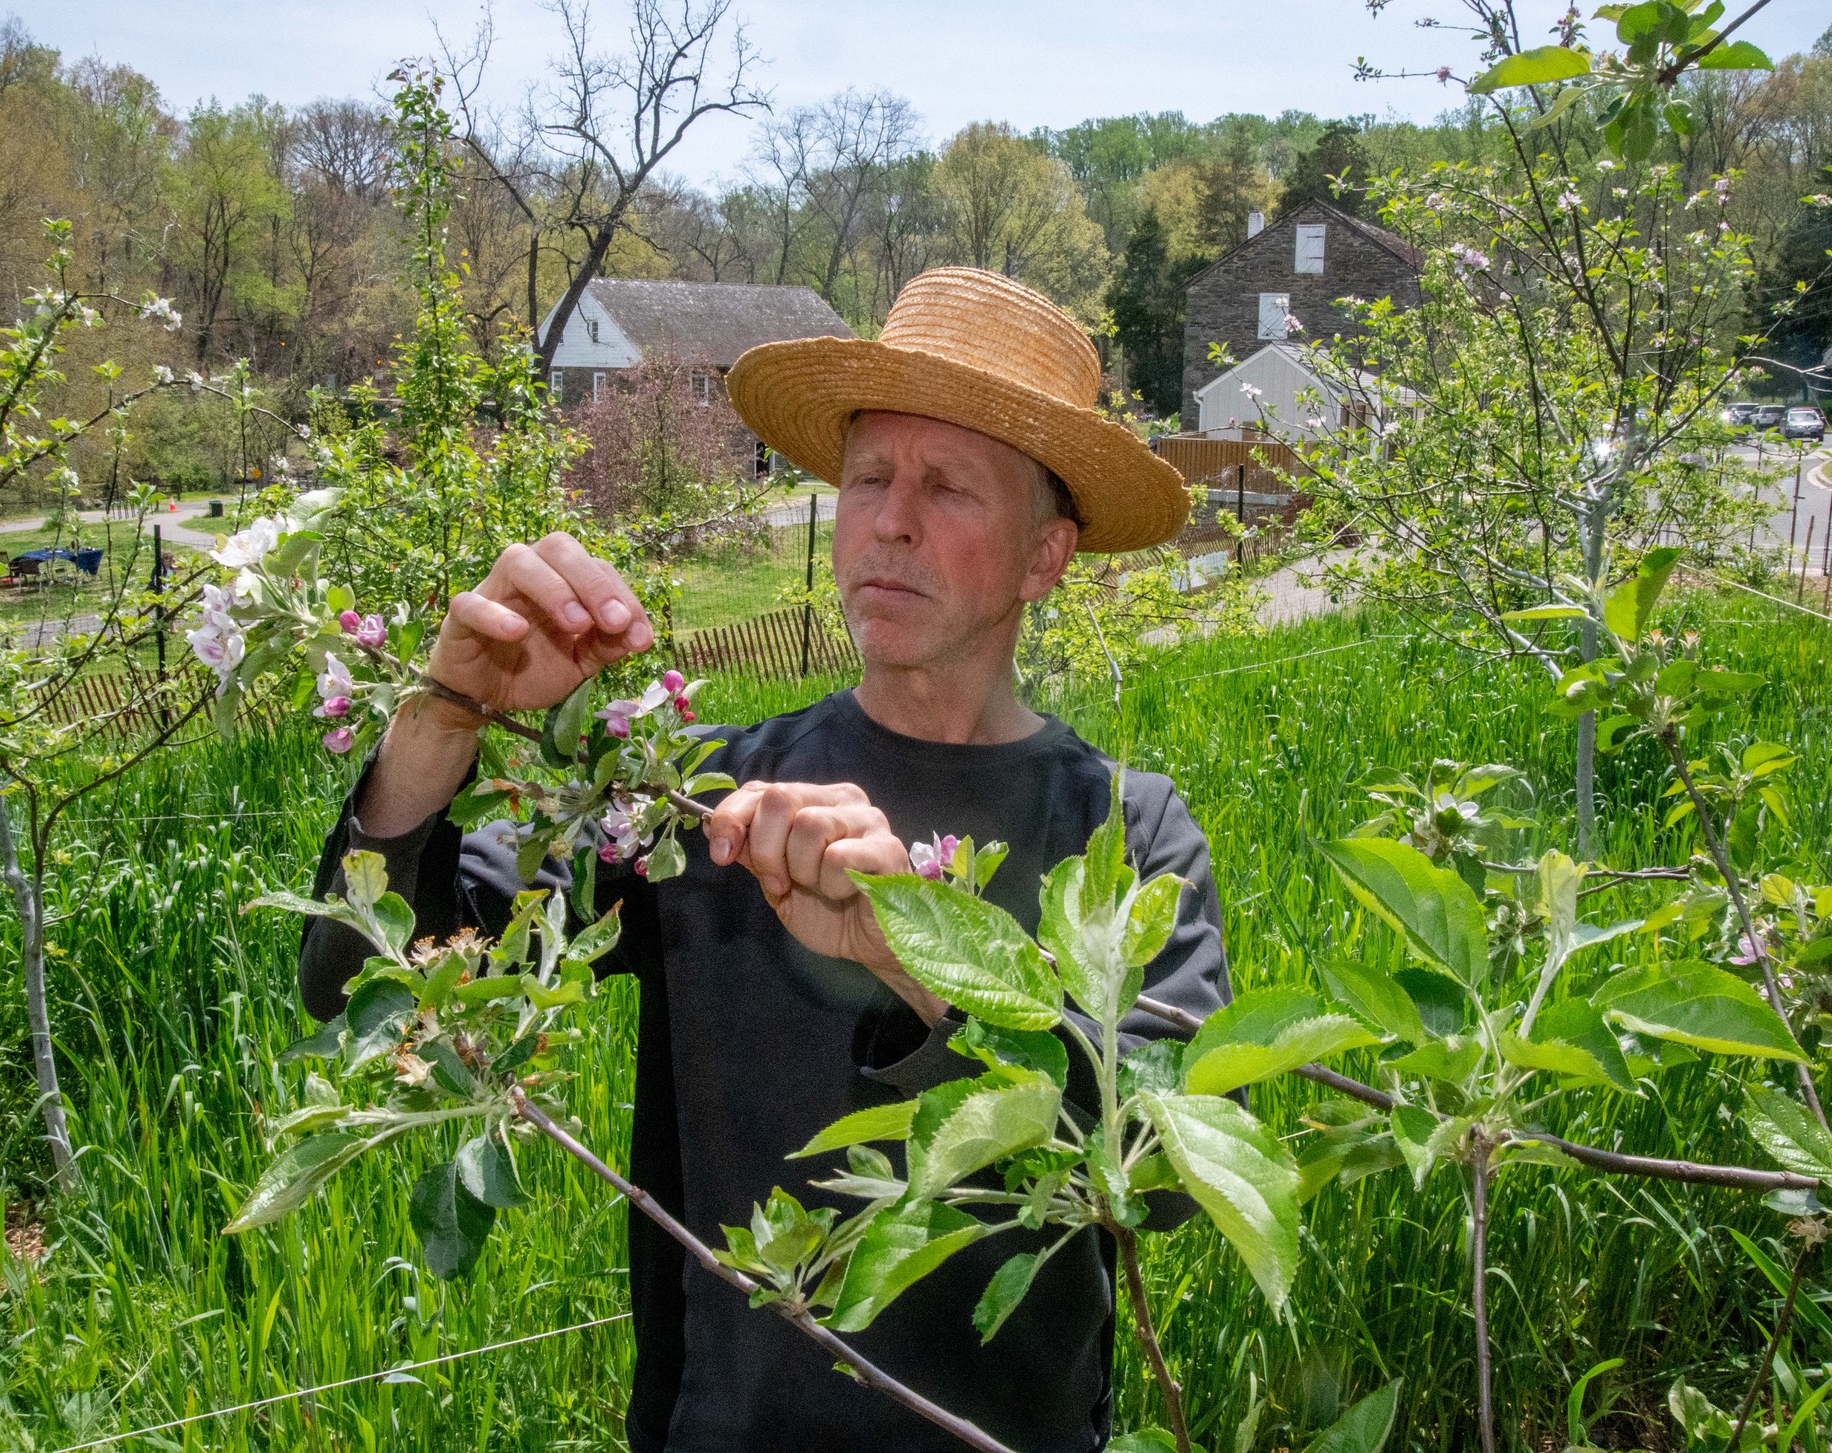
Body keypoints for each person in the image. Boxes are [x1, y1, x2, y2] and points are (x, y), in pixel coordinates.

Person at [300, 267, 1228, 1453]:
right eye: (866, 478)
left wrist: (918, 958)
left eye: (947, 486)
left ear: (1045, 557)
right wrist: (440, 726)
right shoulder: (704, 800)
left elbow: (1171, 1176)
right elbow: (369, 990)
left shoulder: (1122, 836)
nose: (890, 519)